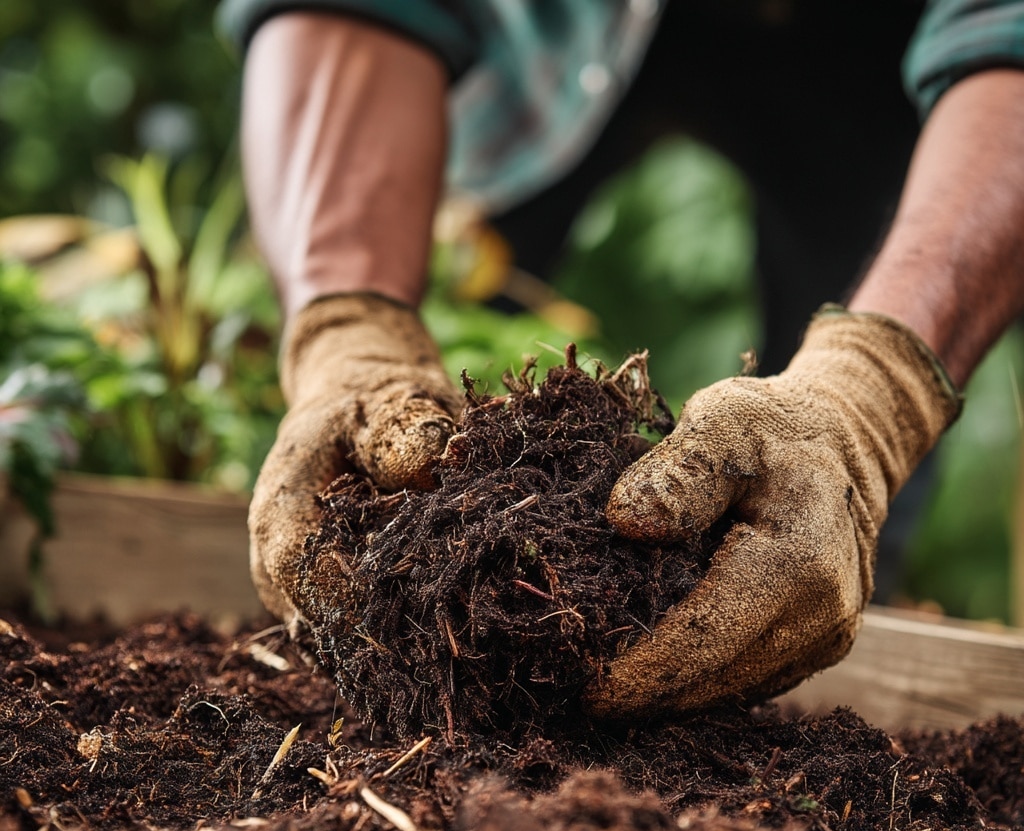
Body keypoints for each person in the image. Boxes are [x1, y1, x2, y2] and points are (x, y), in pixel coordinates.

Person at [219, 0, 1024, 716]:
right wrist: (346, 326)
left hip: (875, 42)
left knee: (816, 493)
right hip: (550, 36)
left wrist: (874, 393)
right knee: (445, 442)